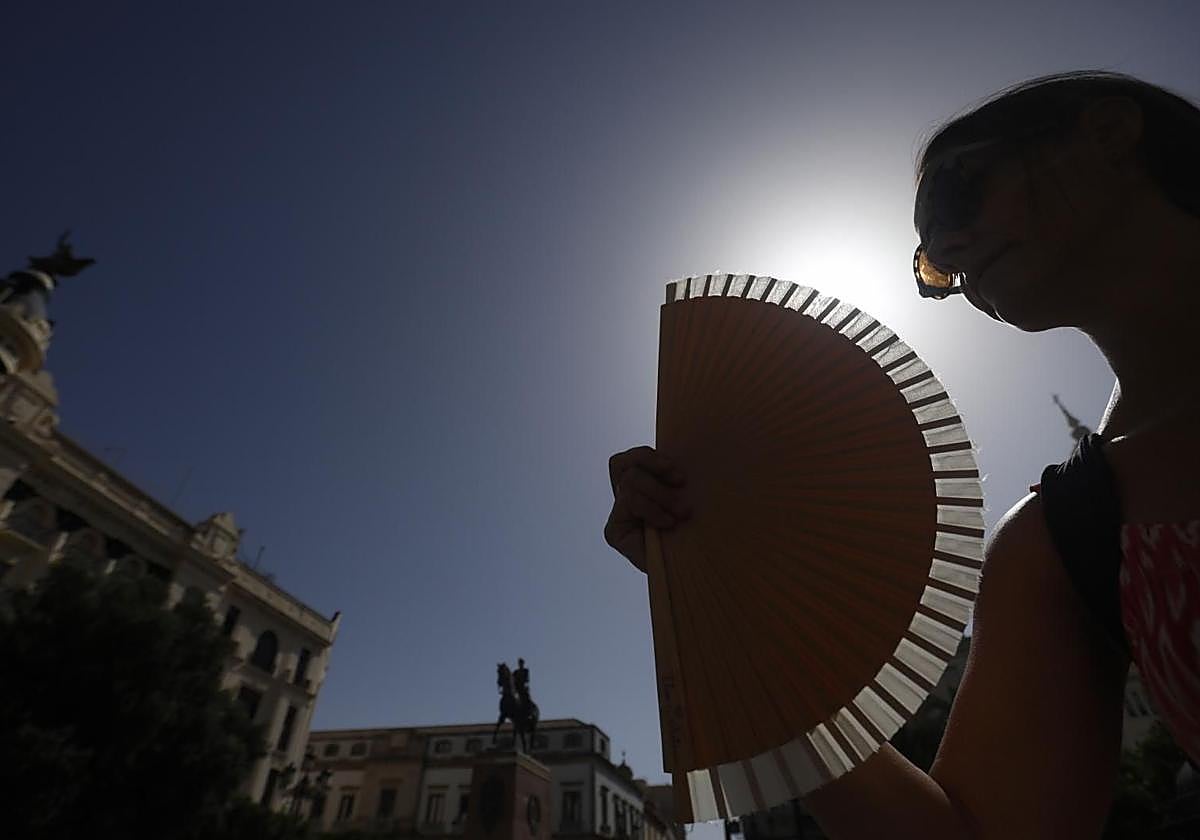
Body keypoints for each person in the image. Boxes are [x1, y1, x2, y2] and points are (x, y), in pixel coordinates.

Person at [604, 70, 1200, 839]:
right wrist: (712, 597)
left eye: (954, 198)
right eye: (930, 269)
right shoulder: (1066, 539)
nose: (947, 257)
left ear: (1110, 131)